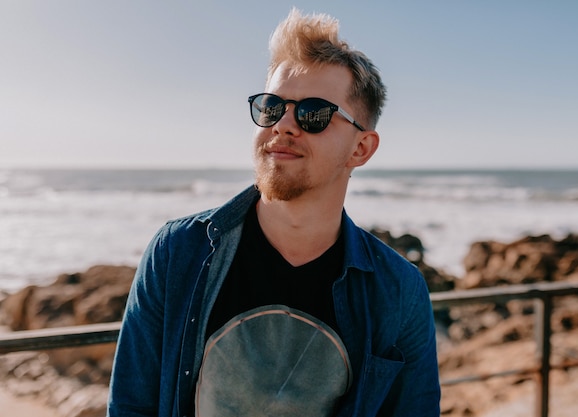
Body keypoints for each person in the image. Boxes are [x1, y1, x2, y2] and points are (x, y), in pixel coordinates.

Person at [107, 8, 440, 417]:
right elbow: (130, 407)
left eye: (313, 113)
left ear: (361, 148)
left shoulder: (399, 292)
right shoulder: (177, 253)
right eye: (271, 106)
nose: (283, 124)